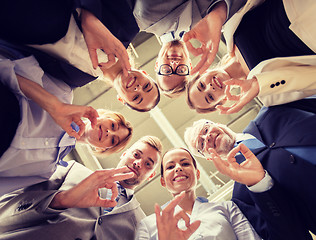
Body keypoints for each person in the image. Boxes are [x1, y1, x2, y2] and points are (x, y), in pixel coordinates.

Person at [0, 45, 133, 196]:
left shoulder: (47, 170)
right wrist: (54, 106)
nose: (109, 132)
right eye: (113, 125)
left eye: (113, 140)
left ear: (101, 149)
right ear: (102, 114)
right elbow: (9, 68)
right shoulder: (62, 92)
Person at [184, 98, 316, 239]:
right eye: (201, 143)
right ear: (208, 157)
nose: (207, 136)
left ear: (217, 124)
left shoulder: (270, 111)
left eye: (206, 129)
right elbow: (290, 234)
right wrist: (260, 185)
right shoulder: (244, 195)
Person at [0, 136, 163, 240]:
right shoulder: (72, 170)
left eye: (148, 164)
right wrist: (59, 201)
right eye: (136, 154)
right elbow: (9, 206)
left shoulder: (144, 224)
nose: (138, 163)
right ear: (124, 154)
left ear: (151, 175)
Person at [136, 147, 262, 240]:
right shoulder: (148, 225)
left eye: (185, 163)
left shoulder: (227, 208)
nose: (178, 168)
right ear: (163, 181)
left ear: (197, 174)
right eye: (170, 167)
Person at [134, 0, 244, 97]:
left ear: (157, 64)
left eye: (166, 70)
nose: (173, 64)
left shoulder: (143, 18)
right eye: (181, 70)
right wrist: (219, 12)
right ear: (189, 65)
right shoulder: (218, 27)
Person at [186, 55, 316, 113]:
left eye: (201, 85)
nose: (210, 87)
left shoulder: (229, 34)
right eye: (210, 97)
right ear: (223, 100)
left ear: (203, 72)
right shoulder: (266, 93)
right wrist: (259, 85)